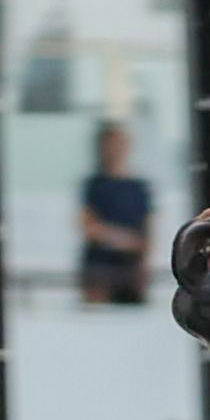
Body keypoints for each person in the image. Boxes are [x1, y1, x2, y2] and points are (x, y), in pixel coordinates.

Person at [77, 119, 154, 305]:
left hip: (131, 268)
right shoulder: (94, 186)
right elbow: (88, 226)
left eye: (120, 143)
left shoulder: (139, 187)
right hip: (100, 267)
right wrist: (123, 239)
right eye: (111, 144)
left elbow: (149, 228)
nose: (116, 149)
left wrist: (142, 256)